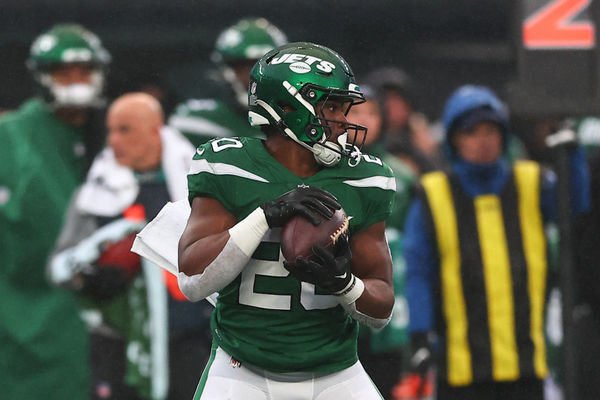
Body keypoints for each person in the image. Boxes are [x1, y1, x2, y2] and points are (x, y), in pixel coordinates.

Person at [173, 42, 396, 399]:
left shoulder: (365, 177)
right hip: (241, 369)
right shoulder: (229, 165)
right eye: (333, 107)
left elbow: (382, 307)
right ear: (290, 108)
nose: (344, 121)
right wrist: (263, 216)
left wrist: (344, 283)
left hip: (335, 370)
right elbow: (193, 281)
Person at [402, 85, 589, 400]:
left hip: (526, 367)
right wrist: (419, 337)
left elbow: (574, 210)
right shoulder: (432, 195)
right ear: (454, 140)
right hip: (460, 372)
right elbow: (418, 272)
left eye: (490, 129)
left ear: (503, 135)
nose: (483, 140)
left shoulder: (533, 181)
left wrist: (571, 156)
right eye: (471, 131)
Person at [48, 93, 206, 400]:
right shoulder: (96, 192)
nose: (114, 140)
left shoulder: (199, 187)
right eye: (110, 130)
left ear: (154, 130)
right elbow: (61, 264)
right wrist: (90, 277)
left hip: (191, 338)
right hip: (120, 341)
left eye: (125, 130)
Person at [0, 23, 110, 400]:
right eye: (64, 72)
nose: (76, 81)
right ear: (42, 77)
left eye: (85, 71)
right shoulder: (11, 137)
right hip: (25, 314)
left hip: (110, 310)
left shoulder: (116, 132)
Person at [347, 84, 416, 399]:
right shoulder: (322, 171)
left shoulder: (403, 174)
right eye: (355, 111)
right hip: (338, 291)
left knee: (386, 382)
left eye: (372, 112)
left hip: (391, 288)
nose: (363, 120)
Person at [168, 17, 287, 148]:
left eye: (263, 65)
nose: (253, 75)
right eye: (242, 66)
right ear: (226, 70)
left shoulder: (302, 117)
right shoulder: (201, 120)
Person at [366, 66, 442, 173]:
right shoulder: (360, 141)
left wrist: (428, 154)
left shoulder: (418, 140)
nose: (390, 106)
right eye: (385, 99)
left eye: (398, 99)